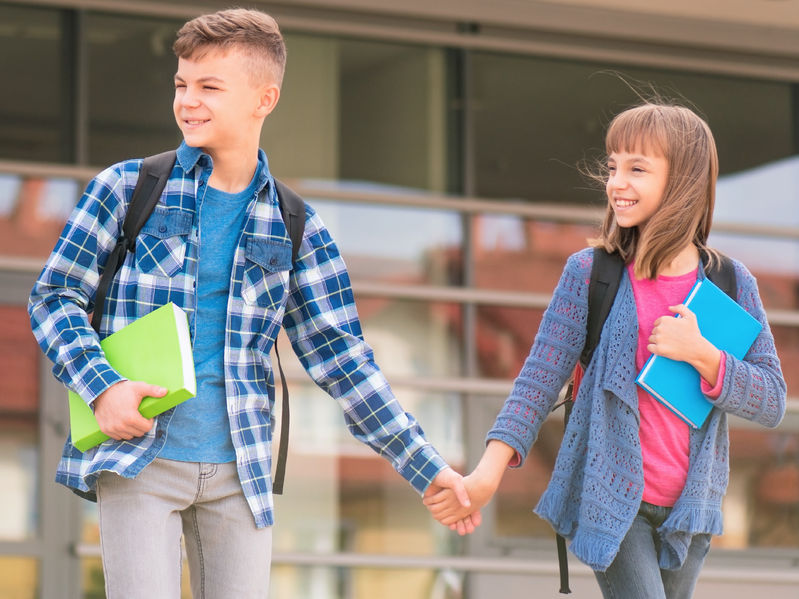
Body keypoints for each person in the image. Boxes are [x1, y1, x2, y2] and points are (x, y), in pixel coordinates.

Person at [28, 8, 473, 599]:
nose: (188, 101)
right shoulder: (127, 188)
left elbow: (345, 362)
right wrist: (102, 385)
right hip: (140, 460)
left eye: (210, 87)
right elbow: (54, 297)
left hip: (241, 470)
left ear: (265, 98)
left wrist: (428, 467)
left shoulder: (296, 226)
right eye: (182, 85)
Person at [424, 102, 786, 598]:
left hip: (691, 510)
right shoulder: (592, 272)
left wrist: (704, 354)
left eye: (637, 169)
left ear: (682, 181)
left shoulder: (730, 282)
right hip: (612, 500)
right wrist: (487, 474)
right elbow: (537, 381)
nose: (617, 182)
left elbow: (771, 400)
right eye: (613, 166)